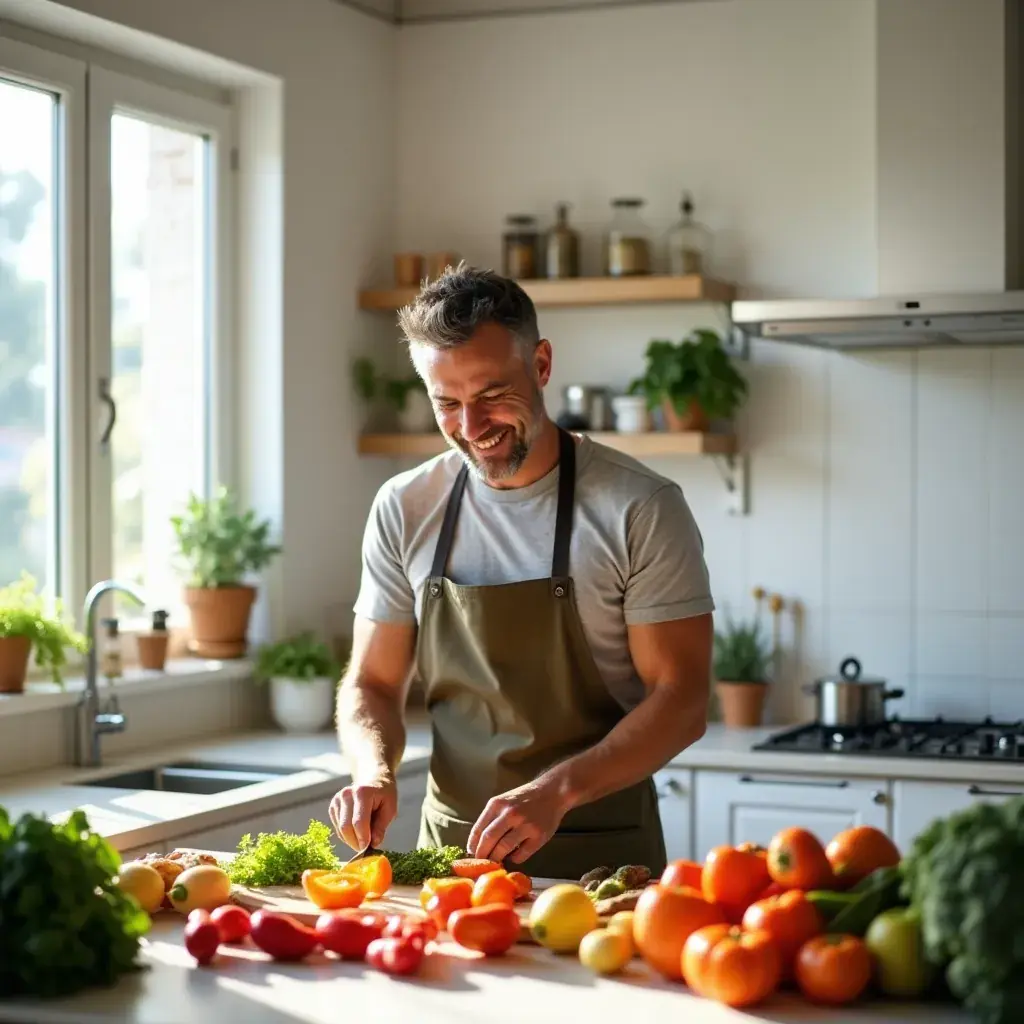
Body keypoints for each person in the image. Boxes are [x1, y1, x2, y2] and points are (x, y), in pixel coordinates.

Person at [329, 263, 714, 880]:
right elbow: (373, 681)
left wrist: (556, 791)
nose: (471, 429)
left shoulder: (638, 506)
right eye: (446, 404)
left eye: (490, 396)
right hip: (452, 859)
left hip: (602, 860)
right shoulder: (405, 506)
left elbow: (683, 699)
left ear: (540, 365)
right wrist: (372, 771)